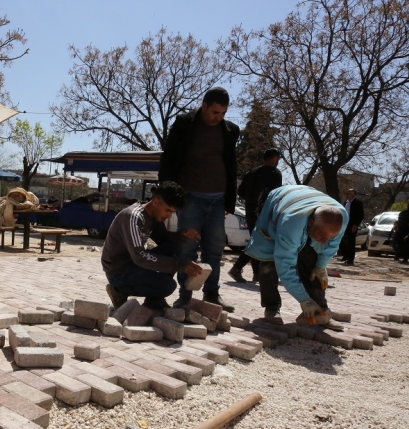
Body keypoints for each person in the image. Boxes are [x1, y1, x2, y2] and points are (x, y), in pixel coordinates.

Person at [159, 87, 240, 312]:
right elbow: (169, 158)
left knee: (214, 250)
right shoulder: (185, 123)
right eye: (215, 112)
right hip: (190, 196)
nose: (219, 117)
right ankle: (184, 295)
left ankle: (212, 294)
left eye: (223, 113)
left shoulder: (231, 130)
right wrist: (167, 193)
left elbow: (231, 166)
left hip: (218, 199)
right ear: (204, 105)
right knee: (187, 248)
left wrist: (230, 202)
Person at [244, 185, 347, 325]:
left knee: (313, 264)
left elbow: (332, 245)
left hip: (304, 201)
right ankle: (272, 308)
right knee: (269, 262)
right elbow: (285, 266)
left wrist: (321, 265)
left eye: (329, 237)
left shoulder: (341, 217)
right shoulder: (290, 225)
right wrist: (303, 299)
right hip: (279, 202)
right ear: (311, 223)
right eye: (322, 236)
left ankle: (320, 311)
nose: (325, 241)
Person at [101, 181, 203, 309]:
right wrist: (180, 264)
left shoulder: (153, 216)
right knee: (168, 286)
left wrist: (182, 235)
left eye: (172, 212)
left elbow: (164, 240)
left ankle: (154, 300)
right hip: (119, 272)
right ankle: (119, 291)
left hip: (134, 266)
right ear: (155, 201)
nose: (169, 216)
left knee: (174, 247)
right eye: (167, 210)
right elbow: (139, 256)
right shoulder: (133, 217)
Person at [228, 148, 282, 283]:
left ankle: (257, 273)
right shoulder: (275, 174)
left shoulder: (251, 173)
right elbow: (276, 195)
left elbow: (240, 192)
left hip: (250, 209)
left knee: (255, 239)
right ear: (275, 158)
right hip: (264, 211)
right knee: (258, 241)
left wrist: (251, 200)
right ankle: (237, 268)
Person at [339, 189, 364, 265]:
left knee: (351, 242)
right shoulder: (345, 202)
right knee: (341, 240)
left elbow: (360, 215)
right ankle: (345, 255)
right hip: (344, 224)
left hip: (352, 224)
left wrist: (356, 225)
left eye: (350, 192)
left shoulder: (358, 203)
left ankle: (350, 259)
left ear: (354, 194)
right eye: (347, 192)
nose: (348, 194)